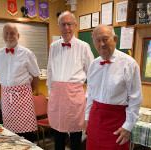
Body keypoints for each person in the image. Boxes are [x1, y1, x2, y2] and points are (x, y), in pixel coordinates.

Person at [83, 25, 143, 150]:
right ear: (94, 43)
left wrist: (128, 126)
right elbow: (90, 94)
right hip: (94, 121)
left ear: (115, 39)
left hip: (116, 124)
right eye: (98, 41)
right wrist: (87, 118)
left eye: (105, 39)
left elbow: (135, 99)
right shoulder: (94, 65)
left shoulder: (129, 64)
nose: (102, 44)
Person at [46, 11, 94, 150]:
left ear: (75, 26)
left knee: (75, 136)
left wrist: (85, 96)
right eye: (63, 24)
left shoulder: (83, 46)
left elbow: (92, 74)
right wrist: (50, 92)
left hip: (75, 96)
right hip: (57, 96)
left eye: (69, 24)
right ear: (59, 26)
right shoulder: (53, 46)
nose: (66, 27)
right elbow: (49, 71)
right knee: (57, 134)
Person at [0, 22, 41, 142]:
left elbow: (36, 77)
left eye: (12, 33)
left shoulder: (27, 53)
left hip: (23, 99)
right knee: (10, 136)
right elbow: (0, 75)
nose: (9, 36)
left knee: (26, 137)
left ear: (18, 36)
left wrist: (26, 93)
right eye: (6, 33)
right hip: (6, 101)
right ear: (2, 35)